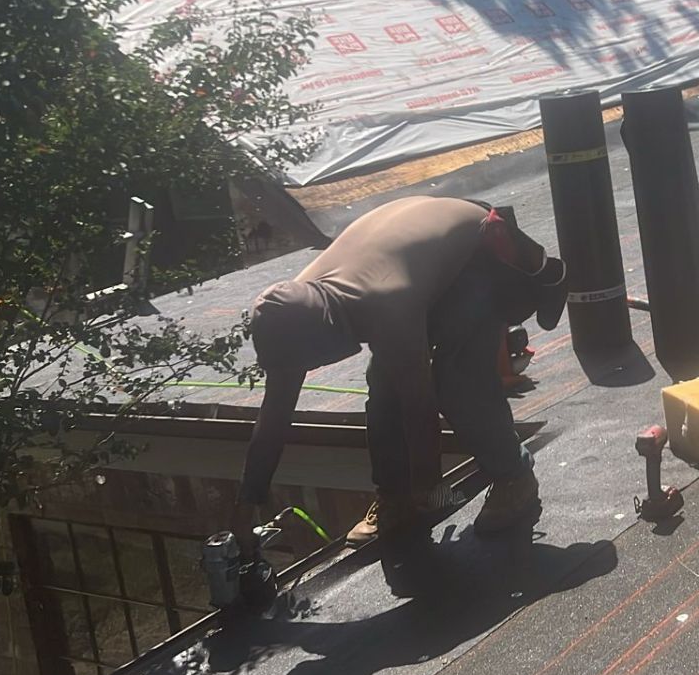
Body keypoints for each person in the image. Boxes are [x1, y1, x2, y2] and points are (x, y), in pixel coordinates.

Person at [232, 196, 566, 551]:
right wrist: (243, 511)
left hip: (475, 253)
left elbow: (420, 407)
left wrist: (427, 485)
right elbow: (273, 419)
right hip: (408, 251)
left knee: (458, 380)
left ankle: (515, 477)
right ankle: (393, 496)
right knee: (383, 383)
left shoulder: (385, 305)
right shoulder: (288, 311)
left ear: (326, 338)